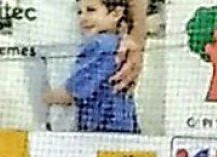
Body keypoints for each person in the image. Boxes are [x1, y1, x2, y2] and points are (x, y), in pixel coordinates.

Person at [21, 0, 146, 132]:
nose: (83, 18)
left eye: (91, 10)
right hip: (119, 124)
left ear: (116, 14)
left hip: (103, 128)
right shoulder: (117, 44)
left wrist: (45, 98)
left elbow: (71, 93)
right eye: (79, 12)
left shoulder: (100, 47)